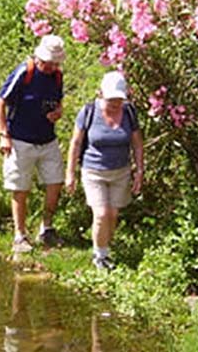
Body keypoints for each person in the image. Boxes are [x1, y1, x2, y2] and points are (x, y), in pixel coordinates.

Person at [64, 71, 145, 271]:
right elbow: (75, 143)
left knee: (113, 214)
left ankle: (105, 248)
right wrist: (70, 173)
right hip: (93, 171)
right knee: (101, 214)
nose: (116, 103)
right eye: (111, 99)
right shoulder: (89, 111)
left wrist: (140, 171)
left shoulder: (129, 112)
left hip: (121, 172)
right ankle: (100, 256)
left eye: (119, 99)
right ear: (100, 94)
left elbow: (137, 144)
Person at [0, 34, 66, 254]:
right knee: (19, 187)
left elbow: (59, 101)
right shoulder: (24, 72)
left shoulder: (57, 76)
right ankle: (20, 235)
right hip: (20, 140)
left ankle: (46, 228)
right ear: (39, 57)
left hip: (48, 139)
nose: (51, 67)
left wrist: (58, 112)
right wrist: (3, 134)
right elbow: (0, 101)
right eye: (48, 63)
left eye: (55, 63)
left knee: (55, 182)